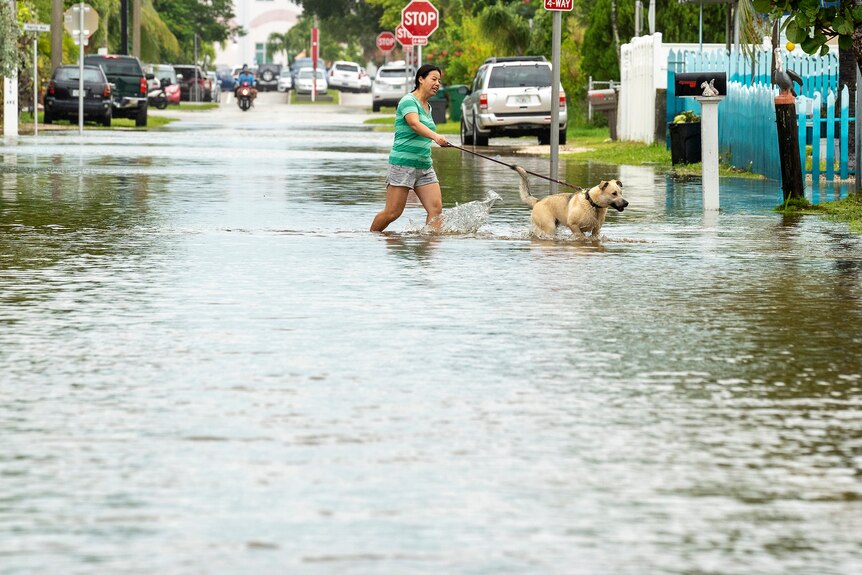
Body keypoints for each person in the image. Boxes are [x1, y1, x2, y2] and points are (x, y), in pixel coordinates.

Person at [370, 64, 450, 232]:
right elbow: (414, 123)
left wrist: (439, 139)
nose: (437, 84)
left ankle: (429, 251)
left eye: (439, 81)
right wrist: (436, 137)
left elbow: (423, 129)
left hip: (424, 165)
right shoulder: (408, 101)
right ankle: (372, 237)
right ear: (420, 79)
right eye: (433, 79)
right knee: (393, 213)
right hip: (402, 164)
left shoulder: (429, 107)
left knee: (436, 211)